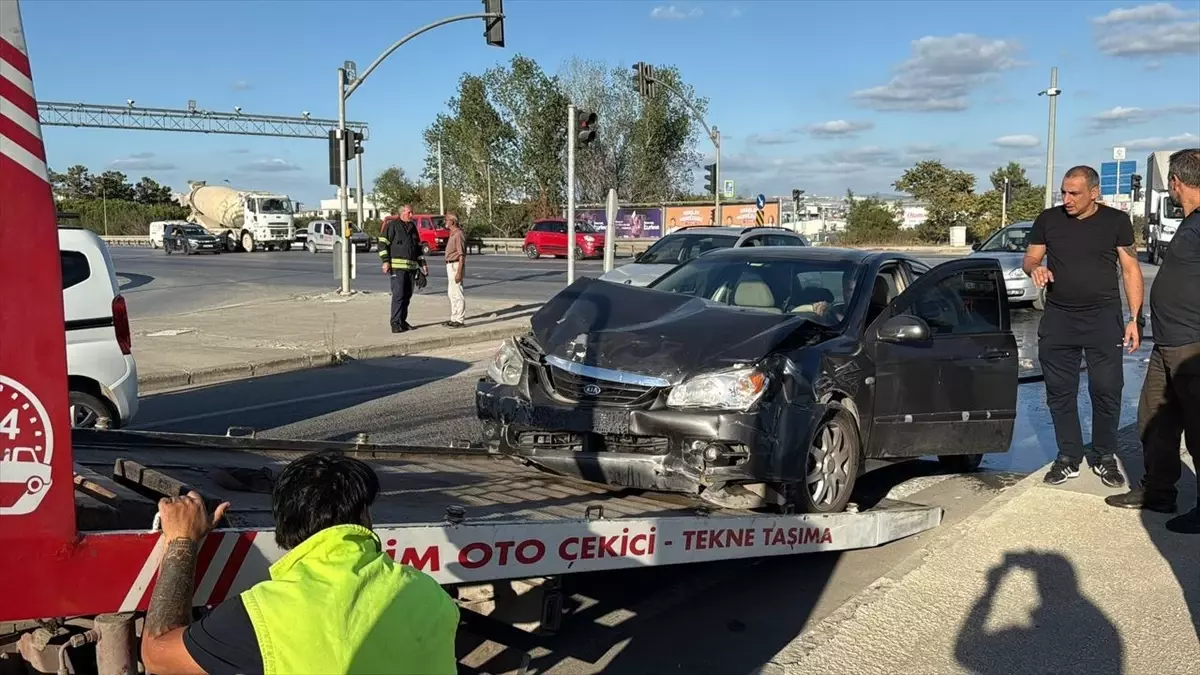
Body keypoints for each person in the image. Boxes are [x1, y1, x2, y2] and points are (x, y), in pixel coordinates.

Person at [139, 451, 460, 674]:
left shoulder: (267, 613)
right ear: (364, 517)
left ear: (284, 526)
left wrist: (182, 540)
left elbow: (157, 656)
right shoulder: (429, 594)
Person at [1023, 165, 1145, 488]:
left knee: (1106, 389)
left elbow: (1131, 270)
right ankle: (1068, 457)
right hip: (1059, 318)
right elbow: (1030, 258)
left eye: (1074, 193)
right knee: (1060, 392)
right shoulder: (1048, 220)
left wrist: (1134, 318)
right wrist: (1035, 268)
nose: (1066, 199)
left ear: (1094, 193)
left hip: (1103, 317)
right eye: (1063, 192)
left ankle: (1105, 455)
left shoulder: (1116, 222)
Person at [1106, 148, 1200, 534]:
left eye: (1171, 187)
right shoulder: (1190, 223)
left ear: (1176, 183)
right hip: (1168, 342)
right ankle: (1159, 491)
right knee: (1153, 420)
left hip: (1193, 344)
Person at [378, 205, 428, 333]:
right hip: (397, 268)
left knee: (407, 296)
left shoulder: (412, 227)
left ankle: (402, 321)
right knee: (398, 295)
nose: (412, 215)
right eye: (409, 212)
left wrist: (422, 263)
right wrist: (385, 261)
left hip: (411, 268)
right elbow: (382, 243)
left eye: (412, 213)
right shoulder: (393, 226)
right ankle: (395, 322)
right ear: (402, 213)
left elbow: (417, 247)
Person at [443, 212, 466, 329]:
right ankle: (454, 317)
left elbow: (461, 254)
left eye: (446, 220)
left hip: (456, 265)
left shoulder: (458, 234)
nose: (445, 222)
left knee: (457, 293)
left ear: (452, 221)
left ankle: (459, 319)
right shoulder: (452, 234)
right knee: (451, 293)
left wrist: (459, 272)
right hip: (449, 264)